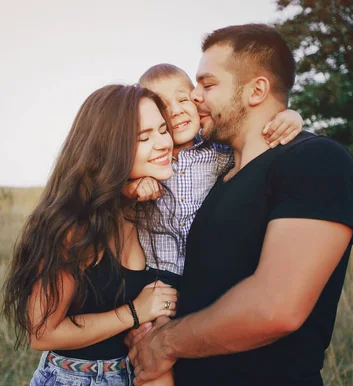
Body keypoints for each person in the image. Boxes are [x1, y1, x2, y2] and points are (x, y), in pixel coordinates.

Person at [128, 24, 353, 386]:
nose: (193, 95)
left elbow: (276, 308)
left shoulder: (316, 159)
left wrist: (164, 344)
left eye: (207, 84)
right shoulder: (217, 175)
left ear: (256, 90)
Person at [2, 84, 181, 386]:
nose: (163, 143)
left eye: (163, 130)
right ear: (110, 148)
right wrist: (135, 313)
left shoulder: (142, 205)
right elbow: (41, 333)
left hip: (133, 377)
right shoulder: (77, 226)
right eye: (144, 137)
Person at [125, 63, 304, 282]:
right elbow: (110, 187)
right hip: (158, 274)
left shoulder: (217, 150)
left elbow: (257, 141)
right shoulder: (147, 161)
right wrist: (131, 187)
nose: (175, 110)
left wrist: (290, 116)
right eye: (163, 106)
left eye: (183, 100)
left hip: (206, 271)